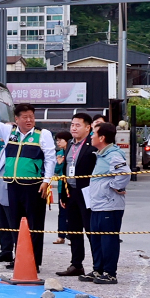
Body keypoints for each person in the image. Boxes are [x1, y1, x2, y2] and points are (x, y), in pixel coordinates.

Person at [0, 89, 55, 268]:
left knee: (34, 225)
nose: (29, 120)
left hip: (34, 186)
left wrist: (47, 181)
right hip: (13, 186)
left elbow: (50, 158)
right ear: (17, 119)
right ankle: (19, 259)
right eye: (24, 116)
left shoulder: (42, 134)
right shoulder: (10, 131)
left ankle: (34, 262)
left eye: (31, 116)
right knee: (15, 224)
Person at [83, 121, 128, 285]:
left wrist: (114, 186)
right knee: (96, 238)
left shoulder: (113, 155)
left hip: (109, 205)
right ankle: (98, 269)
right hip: (98, 204)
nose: (91, 136)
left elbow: (124, 174)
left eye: (93, 133)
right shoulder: (102, 154)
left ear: (102, 137)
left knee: (108, 240)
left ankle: (110, 273)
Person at [58, 113, 97, 278]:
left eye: (77, 125)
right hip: (71, 192)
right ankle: (76, 264)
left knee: (91, 230)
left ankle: (98, 266)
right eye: (72, 125)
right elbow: (65, 171)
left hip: (87, 192)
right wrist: (63, 194)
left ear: (88, 128)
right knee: (73, 230)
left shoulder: (92, 145)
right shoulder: (69, 146)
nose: (73, 128)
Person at [51, 131, 73, 244]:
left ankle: (72, 234)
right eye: (57, 140)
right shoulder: (59, 153)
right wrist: (59, 163)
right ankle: (61, 235)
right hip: (62, 186)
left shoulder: (73, 152)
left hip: (72, 185)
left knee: (72, 211)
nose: (58, 142)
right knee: (62, 211)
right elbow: (56, 171)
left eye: (60, 140)